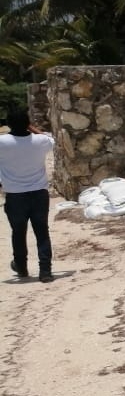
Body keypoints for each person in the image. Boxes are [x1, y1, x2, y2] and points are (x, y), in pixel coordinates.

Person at [0, 110, 54, 282]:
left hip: (15, 195)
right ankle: (45, 271)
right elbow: (49, 139)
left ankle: (21, 267)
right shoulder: (40, 141)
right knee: (42, 232)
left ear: (8, 123)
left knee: (18, 232)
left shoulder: (2, 142)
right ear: (28, 123)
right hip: (39, 193)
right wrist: (32, 128)